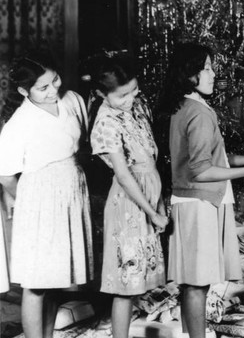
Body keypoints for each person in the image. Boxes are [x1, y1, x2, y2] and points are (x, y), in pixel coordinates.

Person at [162, 42, 244, 338]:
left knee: (193, 283)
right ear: (190, 75)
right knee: (197, 284)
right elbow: (202, 170)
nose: (213, 74)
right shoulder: (198, 114)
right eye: (207, 68)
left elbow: (218, 158)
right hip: (199, 205)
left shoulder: (190, 107)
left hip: (195, 202)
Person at [0, 50, 94, 338]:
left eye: (55, 80)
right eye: (43, 88)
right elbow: (5, 175)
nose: (53, 89)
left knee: (56, 278)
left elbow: (84, 142)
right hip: (38, 199)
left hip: (71, 191)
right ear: (23, 91)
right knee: (36, 282)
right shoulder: (19, 123)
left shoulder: (72, 100)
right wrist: (28, 203)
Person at [88, 53, 169, 338]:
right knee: (125, 284)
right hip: (129, 204)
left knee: (139, 282)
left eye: (134, 90)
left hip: (148, 198)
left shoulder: (136, 107)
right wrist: (152, 212)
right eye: (122, 95)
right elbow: (123, 175)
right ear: (101, 93)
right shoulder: (106, 122)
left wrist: (159, 203)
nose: (131, 98)